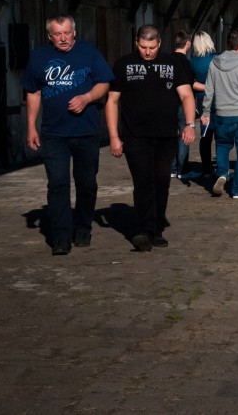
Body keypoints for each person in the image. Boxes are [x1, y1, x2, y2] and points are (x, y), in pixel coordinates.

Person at [22, 14, 114, 255]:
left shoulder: (89, 53)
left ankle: (83, 227)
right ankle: (61, 236)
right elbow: (33, 92)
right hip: (54, 134)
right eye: (57, 34)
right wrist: (31, 125)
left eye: (66, 33)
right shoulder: (40, 57)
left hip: (86, 132)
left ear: (74, 32)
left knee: (87, 183)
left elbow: (104, 83)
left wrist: (87, 98)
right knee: (58, 183)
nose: (62, 39)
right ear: (50, 36)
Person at [106, 25, 196, 252]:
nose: (147, 52)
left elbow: (186, 95)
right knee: (143, 180)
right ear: (137, 42)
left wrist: (189, 124)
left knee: (161, 181)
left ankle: (156, 228)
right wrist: (114, 137)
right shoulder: (123, 64)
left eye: (152, 47)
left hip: (166, 134)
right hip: (135, 135)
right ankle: (145, 230)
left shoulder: (173, 63)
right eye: (143, 47)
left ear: (159, 44)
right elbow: (112, 102)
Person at [201, 30, 238, 200]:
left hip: (221, 114)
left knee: (222, 146)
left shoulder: (215, 62)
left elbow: (209, 90)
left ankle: (221, 173)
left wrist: (206, 111)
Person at [188, 31, 217, 178]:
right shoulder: (216, 58)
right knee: (220, 134)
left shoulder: (193, 60)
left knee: (205, 135)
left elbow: (191, 83)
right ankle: (221, 166)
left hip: (201, 98)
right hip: (218, 99)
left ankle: (206, 168)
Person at [171, 31, 195, 178]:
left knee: (171, 136)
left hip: (168, 103)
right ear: (188, 44)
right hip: (181, 103)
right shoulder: (186, 63)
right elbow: (190, 85)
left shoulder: (166, 60)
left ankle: (171, 168)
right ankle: (183, 169)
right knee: (184, 135)